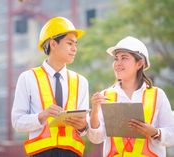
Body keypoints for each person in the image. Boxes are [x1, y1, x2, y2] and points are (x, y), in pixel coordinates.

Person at [11, 16, 89, 157]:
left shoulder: (81, 81)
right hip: (41, 153)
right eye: (70, 43)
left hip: (72, 153)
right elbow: (17, 122)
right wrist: (42, 116)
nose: (74, 49)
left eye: (76, 44)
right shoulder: (28, 78)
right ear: (53, 44)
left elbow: (85, 128)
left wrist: (83, 126)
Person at [87, 36, 174, 157]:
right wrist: (94, 111)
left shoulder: (157, 95)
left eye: (124, 58)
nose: (118, 63)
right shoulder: (105, 96)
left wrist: (155, 133)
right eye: (116, 58)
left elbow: (171, 134)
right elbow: (96, 138)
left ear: (139, 63)